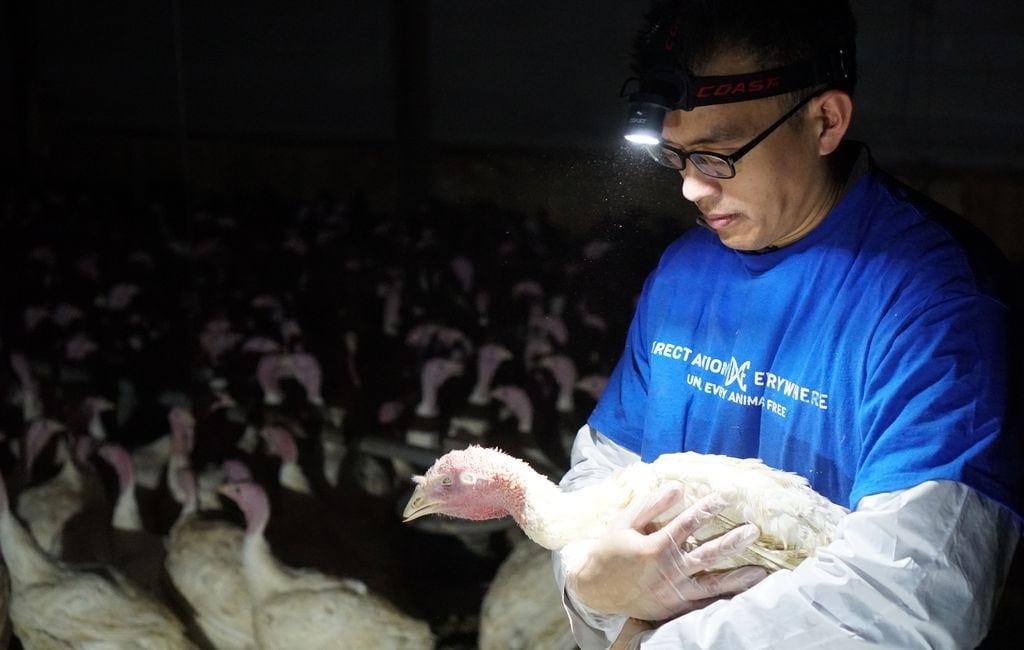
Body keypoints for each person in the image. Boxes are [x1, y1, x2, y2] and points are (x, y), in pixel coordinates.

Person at [552, 1, 1022, 648]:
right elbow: (597, 487)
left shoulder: (938, 302)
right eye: (676, 157)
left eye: (717, 156)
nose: (691, 188)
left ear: (824, 120)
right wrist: (590, 584)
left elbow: (913, 592)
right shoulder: (684, 274)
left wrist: (651, 640)